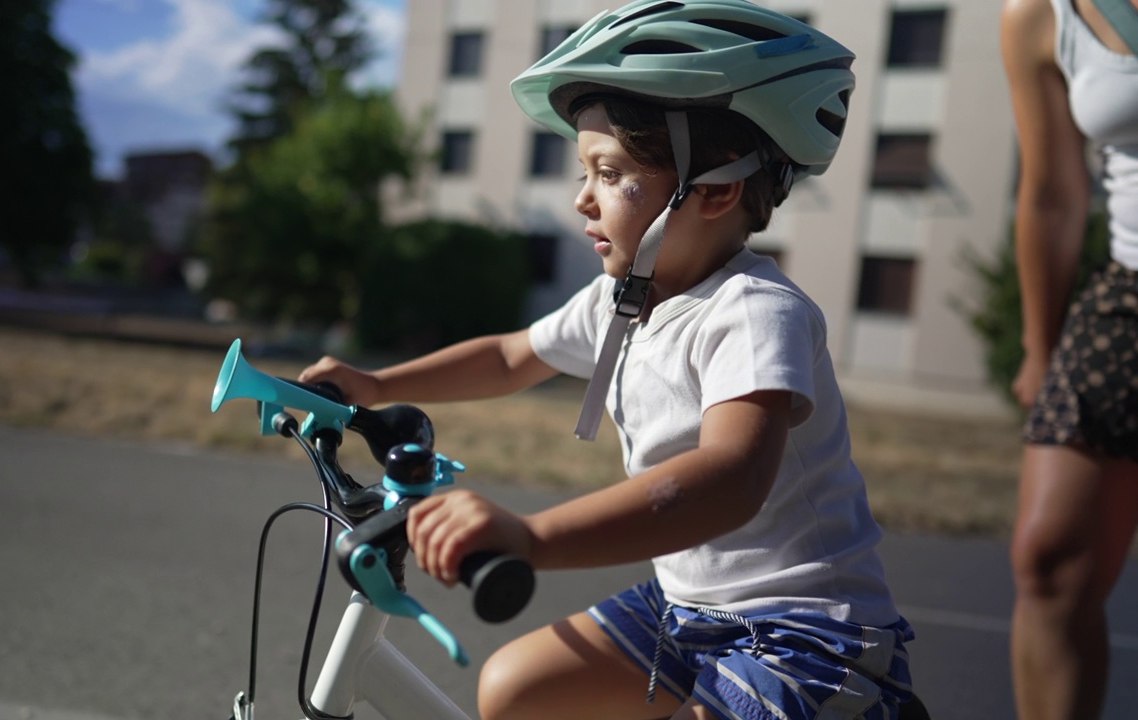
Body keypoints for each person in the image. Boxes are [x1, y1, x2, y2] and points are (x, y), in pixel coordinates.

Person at [303, 2, 920, 717]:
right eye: (583, 172)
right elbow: (509, 358)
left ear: (714, 189)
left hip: (803, 634)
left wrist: (532, 538)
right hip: (685, 608)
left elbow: (730, 478)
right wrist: (374, 384)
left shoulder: (754, 311)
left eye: (607, 171)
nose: (581, 200)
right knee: (512, 690)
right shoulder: (619, 300)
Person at [1000, 0, 1138, 718]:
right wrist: (1041, 349)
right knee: (1050, 559)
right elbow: (1053, 195)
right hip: (1127, 295)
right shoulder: (1042, 15)